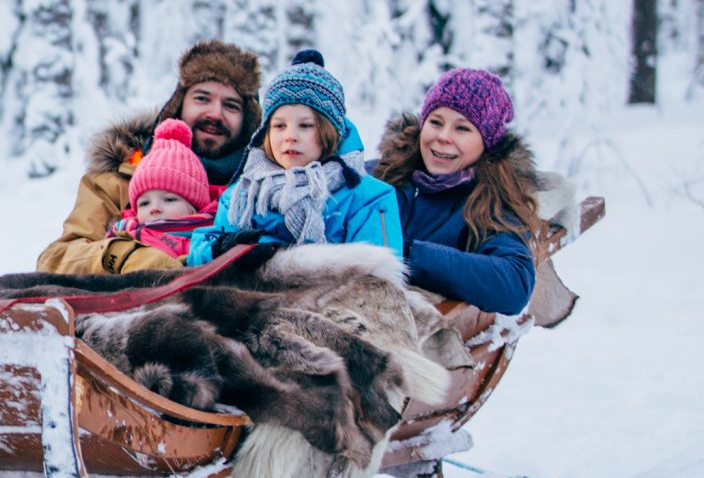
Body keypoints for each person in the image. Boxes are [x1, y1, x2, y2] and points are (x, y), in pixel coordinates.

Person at [37, 40, 262, 274]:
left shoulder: (262, 189)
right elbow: (56, 259)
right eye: (202, 98)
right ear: (178, 105)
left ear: (248, 121)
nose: (215, 113)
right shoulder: (118, 179)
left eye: (231, 106)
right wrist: (127, 257)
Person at [187, 51, 402, 264]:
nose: (290, 137)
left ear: (330, 132)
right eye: (279, 126)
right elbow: (200, 249)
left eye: (305, 126)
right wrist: (219, 249)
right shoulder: (244, 193)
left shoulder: (367, 197)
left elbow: (377, 274)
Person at [371, 67, 542, 315]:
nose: (443, 137)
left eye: (462, 128)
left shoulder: (490, 200)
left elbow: (514, 283)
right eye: (435, 122)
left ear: (486, 143)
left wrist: (410, 255)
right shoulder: (383, 174)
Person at [106, 119, 217, 263]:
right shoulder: (124, 235)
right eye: (144, 203)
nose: (154, 208)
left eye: (169, 199)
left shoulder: (208, 240)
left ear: (193, 209)